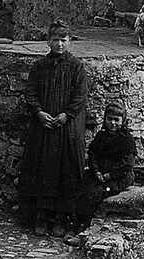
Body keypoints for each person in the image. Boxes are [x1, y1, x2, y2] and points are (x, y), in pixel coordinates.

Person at [16, 21, 89, 236]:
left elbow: (81, 96)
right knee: (42, 170)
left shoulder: (76, 67)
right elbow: (30, 92)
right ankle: (41, 216)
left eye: (63, 40)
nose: (59, 44)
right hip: (44, 129)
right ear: (48, 41)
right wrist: (39, 112)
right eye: (55, 40)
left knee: (65, 172)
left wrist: (67, 115)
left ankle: (61, 219)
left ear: (69, 42)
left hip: (67, 130)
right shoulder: (40, 67)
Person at [77, 100, 137, 227]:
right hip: (100, 174)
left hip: (118, 177)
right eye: (109, 119)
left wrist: (109, 175)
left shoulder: (127, 139)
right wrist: (96, 171)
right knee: (80, 185)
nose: (113, 123)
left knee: (96, 193)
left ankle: (84, 227)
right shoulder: (101, 136)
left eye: (116, 120)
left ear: (123, 121)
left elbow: (126, 165)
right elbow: (93, 154)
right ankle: (74, 223)